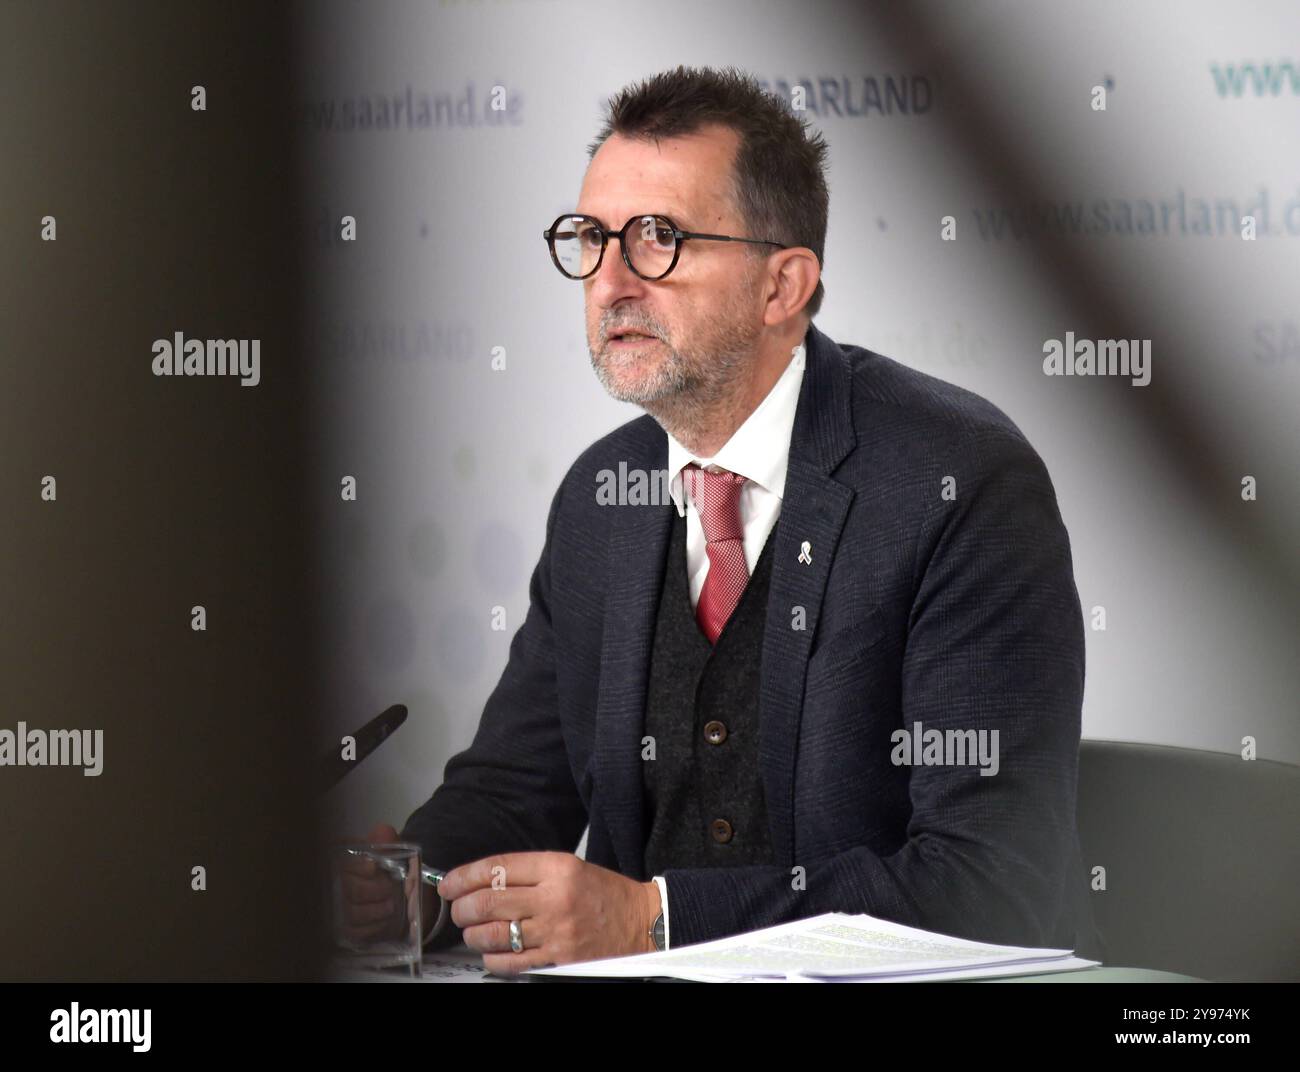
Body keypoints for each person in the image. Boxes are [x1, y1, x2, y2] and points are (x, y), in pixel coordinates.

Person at [346, 65, 1097, 977]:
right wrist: (408, 888)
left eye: (657, 239)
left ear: (783, 285)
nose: (610, 280)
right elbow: (516, 789)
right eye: (591, 237)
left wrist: (655, 919)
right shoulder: (601, 497)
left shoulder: (957, 482)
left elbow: (990, 884)